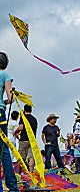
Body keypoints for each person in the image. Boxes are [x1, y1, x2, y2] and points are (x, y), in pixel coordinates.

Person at [0, 51, 19, 192]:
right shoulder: (5, 76)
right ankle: (13, 187)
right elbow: (10, 97)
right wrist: (9, 99)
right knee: (4, 151)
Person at [14, 104, 37, 173]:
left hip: (24, 139)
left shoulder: (23, 118)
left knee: (21, 157)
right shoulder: (34, 119)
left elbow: (21, 127)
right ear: (31, 110)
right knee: (31, 157)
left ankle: (19, 173)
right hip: (32, 140)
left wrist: (15, 132)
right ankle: (31, 173)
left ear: (24, 110)